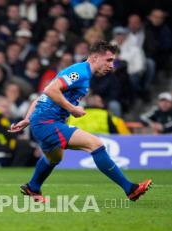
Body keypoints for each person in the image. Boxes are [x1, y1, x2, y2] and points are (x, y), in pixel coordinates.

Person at [9, 41, 152, 203]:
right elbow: (50, 91)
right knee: (95, 144)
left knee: (54, 158)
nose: (112, 65)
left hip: (43, 122)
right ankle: (130, 189)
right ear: (94, 58)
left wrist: (28, 118)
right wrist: (72, 108)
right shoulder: (80, 72)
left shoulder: (79, 73)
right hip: (47, 123)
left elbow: (42, 96)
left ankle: (32, 187)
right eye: (109, 60)